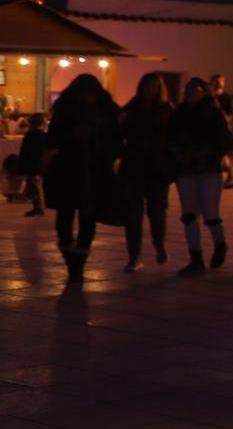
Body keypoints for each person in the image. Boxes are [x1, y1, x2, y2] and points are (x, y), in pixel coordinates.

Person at [45, 76, 122, 283]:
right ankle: (71, 255)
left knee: (87, 216)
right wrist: (73, 136)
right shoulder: (66, 112)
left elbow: (115, 140)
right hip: (70, 170)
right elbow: (54, 137)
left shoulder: (106, 112)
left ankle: (78, 260)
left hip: (93, 170)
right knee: (66, 214)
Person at [167, 76, 233, 275]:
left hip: (208, 170)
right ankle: (195, 258)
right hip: (186, 170)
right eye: (188, 89)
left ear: (204, 92)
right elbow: (170, 138)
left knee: (211, 215)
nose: (190, 92)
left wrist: (208, 151)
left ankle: (220, 244)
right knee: (188, 216)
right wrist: (178, 152)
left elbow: (226, 141)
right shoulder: (179, 114)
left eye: (195, 89)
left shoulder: (213, 114)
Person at [118, 72, 174, 271]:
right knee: (133, 215)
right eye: (146, 86)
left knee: (157, 212)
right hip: (134, 167)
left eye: (153, 87)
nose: (149, 90)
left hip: (157, 168)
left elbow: (172, 139)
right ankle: (134, 256)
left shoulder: (166, 110)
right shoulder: (132, 108)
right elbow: (120, 131)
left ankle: (159, 245)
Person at [18, 112, 48, 215]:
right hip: (38, 163)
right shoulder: (43, 135)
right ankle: (38, 206)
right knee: (35, 184)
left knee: (35, 185)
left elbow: (25, 151)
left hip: (32, 163)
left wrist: (22, 163)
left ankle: (39, 206)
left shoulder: (31, 135)